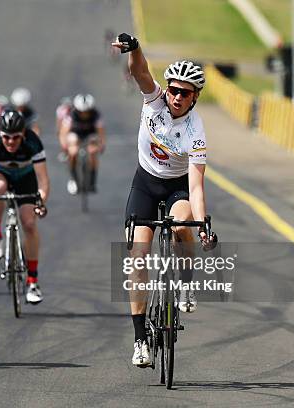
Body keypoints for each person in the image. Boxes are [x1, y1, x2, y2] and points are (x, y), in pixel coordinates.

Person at [112, 33, 216, 367]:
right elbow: (141, 72)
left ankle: (185, 286)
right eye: (173, 89)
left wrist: (202, 228)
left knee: (183, 223)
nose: (176, 96)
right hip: (145, 182)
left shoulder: (195, 132)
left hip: (177, 187)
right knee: (138, 257)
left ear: (194, 97)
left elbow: (197, 185)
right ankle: (140, 339)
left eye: (184, 93)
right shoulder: (154, 101)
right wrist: (135, 48)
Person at [0, 110, 49, 304]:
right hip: (0, 177)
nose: (10, 142)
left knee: (30, 224)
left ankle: (33, 281)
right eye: (6, 137)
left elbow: (42, 179)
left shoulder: (33, 142)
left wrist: (41, 202)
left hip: (27, 179)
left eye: (16, 137)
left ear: (23, 133)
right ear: (0, 134)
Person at [59, 94, 105, 195]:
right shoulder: (71, 115)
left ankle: (92, 181)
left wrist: (101, 144)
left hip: (90, 134)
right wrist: (64, 146)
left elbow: (101, 131)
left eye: (87, 112)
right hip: (75, 134)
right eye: (81, 112)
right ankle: (74, 178)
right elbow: (63, 132)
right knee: (73, 152)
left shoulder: (96, 115)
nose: (84, 114)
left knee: (92, 152)